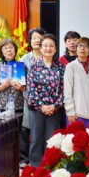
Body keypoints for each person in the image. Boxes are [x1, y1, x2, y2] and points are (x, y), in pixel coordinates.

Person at [27, 34, 65, 167]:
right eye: (45, 46)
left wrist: (54, 105)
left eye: (51, 46)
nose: (48, 48)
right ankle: (35, 167)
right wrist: (42, 106)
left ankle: (50, 167)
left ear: (55, 49)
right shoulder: (34, 66)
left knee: (52, 139)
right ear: (41, 48)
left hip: (54, 110)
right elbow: (31, 89)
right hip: (37, 109)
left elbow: (63, 89)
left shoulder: (60, 67)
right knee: (36, 139)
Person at [19, 27, 46, 167]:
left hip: (45, 99)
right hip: (28, 98)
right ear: (30, 41)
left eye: (40, 38)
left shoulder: (47, 56)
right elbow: (19, 79)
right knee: (25, 128)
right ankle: (23, 159)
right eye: (34, 38)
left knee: (41, 129)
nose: (37, 40)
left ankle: (41, 158)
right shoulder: (24, 58)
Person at [64, 37, 89, 128]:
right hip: (75, 115)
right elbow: (67, 90)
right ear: (76, 49)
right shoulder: (70, 66)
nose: (82, 48)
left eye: (86, 46)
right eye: (80, 46)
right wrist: (70, 110)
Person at [0, 38, 25, 112]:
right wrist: (1, 87)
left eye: (11, 47)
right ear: (1, 51)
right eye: (5, 48)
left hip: (18, 105)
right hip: (0, 106)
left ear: (15, 50)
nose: (9, 50)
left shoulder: (22, 67)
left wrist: (21, 88)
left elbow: (29, 86)